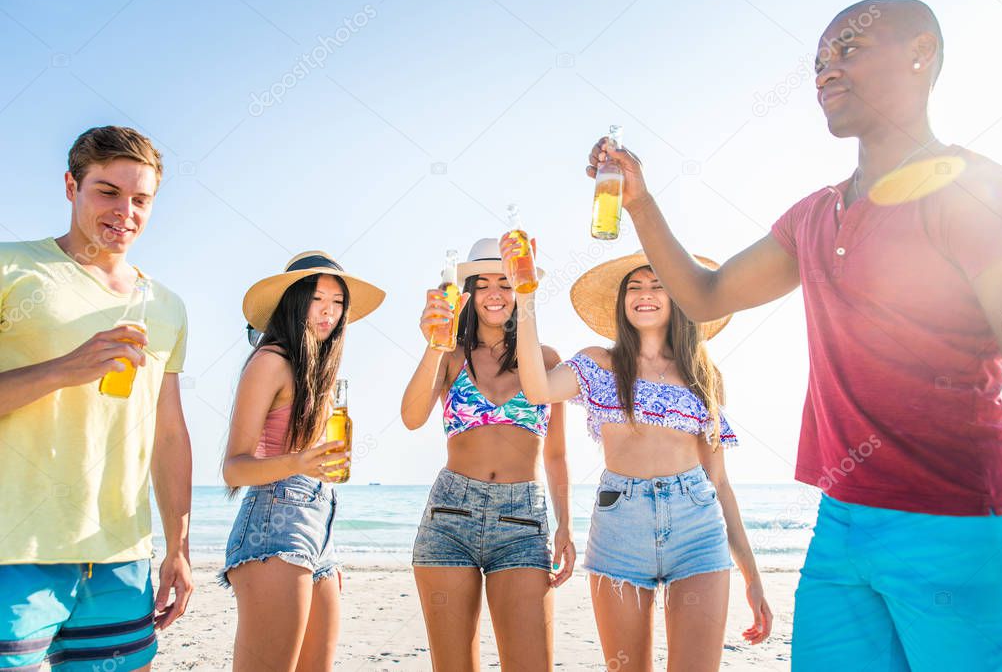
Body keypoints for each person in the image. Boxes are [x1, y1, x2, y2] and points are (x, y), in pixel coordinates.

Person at [586, 0, 1002, 671]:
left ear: (920, 54)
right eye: (818, 61)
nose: (824, 71)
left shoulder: (976, 195)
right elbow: (701, 297)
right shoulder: (813, 216)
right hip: (841, 521)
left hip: (959, 523)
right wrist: (639, 200)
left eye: (847, 50)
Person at [507, 241, 771, 670]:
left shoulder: (704, 376)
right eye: (635, 286)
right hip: (619, 526)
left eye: (658, 284)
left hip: (697, 528)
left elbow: (719, 481)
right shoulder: (598, 363)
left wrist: (753, 577)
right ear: (622, 301)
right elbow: (536, 389)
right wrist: (526, 298)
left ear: (679, 297)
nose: (644, 292)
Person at [0, 126, 192, 671]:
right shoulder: (11, 268)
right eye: (107, 191)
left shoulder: (168, 305)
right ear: (71, 186)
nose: (124, 211)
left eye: (141, 199)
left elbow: (170, 432)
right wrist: (65, 369)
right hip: (13, 549)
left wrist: (176, 546)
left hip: (119, 557)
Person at [401, 238, 575, 672]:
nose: (495, 293)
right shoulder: (451, 355)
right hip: (449, 517)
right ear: (469, 294)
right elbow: (410, 417)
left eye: (506, 282)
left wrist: (566, 525)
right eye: (483, 285)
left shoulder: (545, 358)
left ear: (521, 291)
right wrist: (433, 345)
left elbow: (555, 456)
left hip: (522, 520)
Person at [220, 251, 385, 672]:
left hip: (319, 524)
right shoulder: (270, 361)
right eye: (317, 299)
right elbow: (234, 468)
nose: (328, 311)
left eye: (337, 302)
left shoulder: (316, 370)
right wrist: (299, 461)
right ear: (294, 302)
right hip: (274, 520)